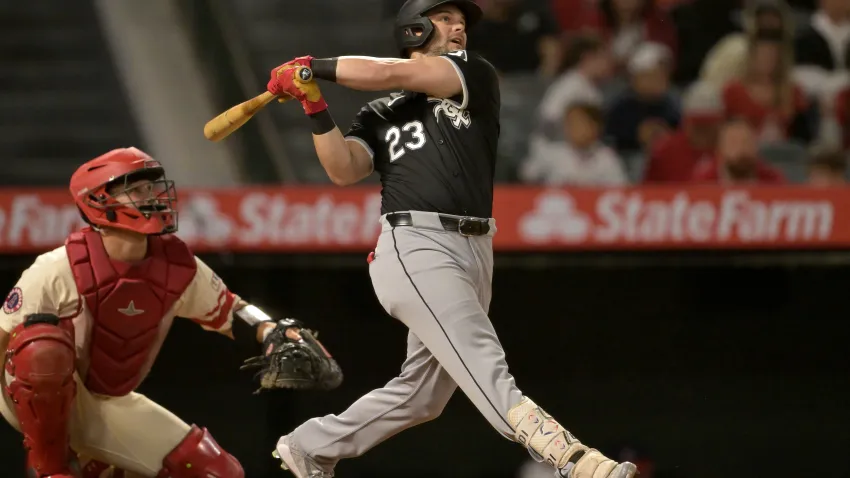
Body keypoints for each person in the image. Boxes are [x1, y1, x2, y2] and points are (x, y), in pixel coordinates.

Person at [262, 1, 638, 477]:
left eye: (460, 20)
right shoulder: (379, 112)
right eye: (445, 18)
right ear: (414, 29)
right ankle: (574, 461)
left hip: (476, 247)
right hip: (415, 242)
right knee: (484, 361)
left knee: (422, 396)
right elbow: (344, 169)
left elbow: (383, 73)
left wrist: (312, 67)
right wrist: (312, 102)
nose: (459, 25)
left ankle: (309, 445)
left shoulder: (472, 73)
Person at [0, 147, 342, 478]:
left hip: (105, 400)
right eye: (135, 190)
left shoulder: (176, 266)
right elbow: (4, 339)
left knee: (220, 473)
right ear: (99, 201)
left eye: (151, 187)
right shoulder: (56, 268)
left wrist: (269, 330)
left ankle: (95, 462)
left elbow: (230, 311)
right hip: (37, 400)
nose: (151, 196)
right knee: (41, 348)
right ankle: (51, 468)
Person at [520, 102, 628, 185]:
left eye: (579, 123)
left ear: (595, 127)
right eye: (569, 123)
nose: (572, 128)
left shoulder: (607, 158)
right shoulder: (551, 153)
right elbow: (527, 176)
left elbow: (620, 190)